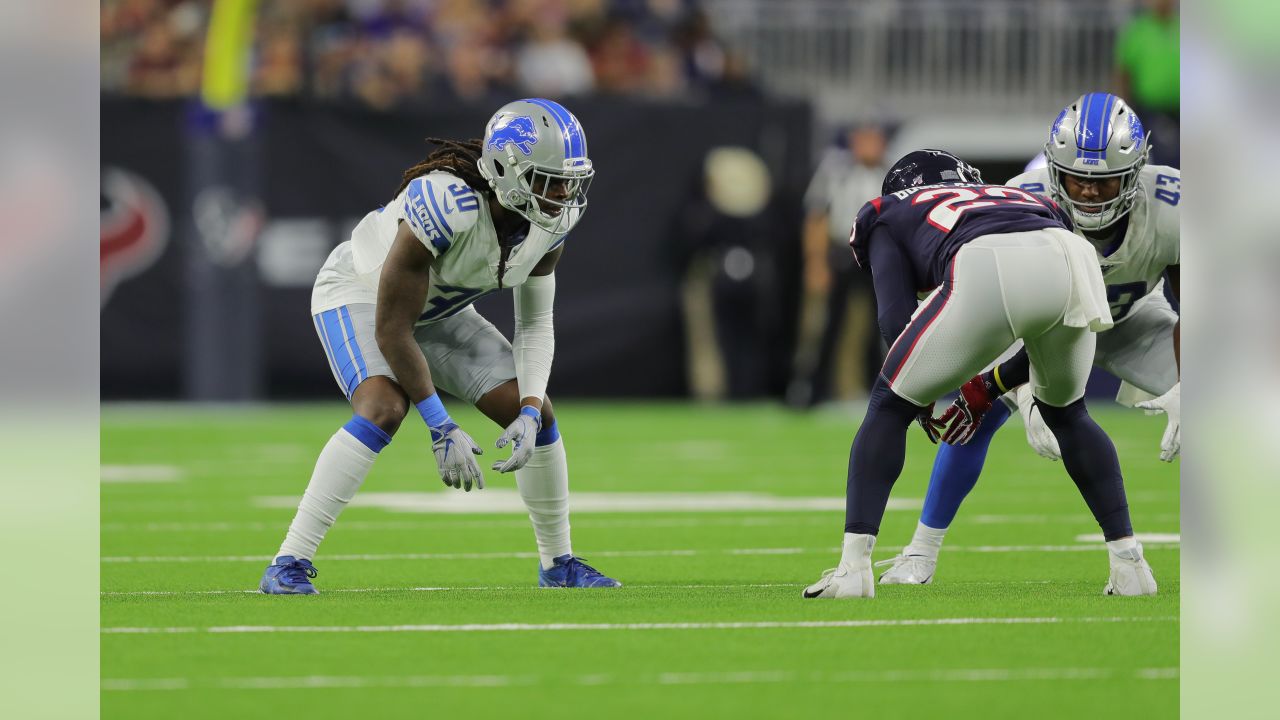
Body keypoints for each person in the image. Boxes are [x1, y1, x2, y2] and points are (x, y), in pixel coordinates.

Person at [259, 98, 621, 594]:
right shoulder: (446, 204)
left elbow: (535, 325)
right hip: (362, 296)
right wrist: (440, 425)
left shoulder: (551, 221)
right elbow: (392, 328)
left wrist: (532, 411)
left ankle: (558, 564)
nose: (563, 193)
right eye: (548, 178)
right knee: (384, 407)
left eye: (569, 179)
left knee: (535, 412)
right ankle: (288, 561)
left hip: (439, 313)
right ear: (505, 169)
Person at [802, 148, 1157, 599]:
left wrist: (919, 397)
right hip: (1071, 255)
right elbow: (1038, 331)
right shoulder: (1027, 198)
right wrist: (990, 385)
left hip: (987, 259)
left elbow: (895, 319)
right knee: (1069, 413)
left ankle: (853, 570)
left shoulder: (888, 211)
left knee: (887, 404)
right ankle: (1131, 566)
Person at [878, 93, 1179, 587]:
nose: (1087, 194)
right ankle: (921, 553)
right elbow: (1004, 313)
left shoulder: (1172, 203)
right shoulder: (1023, 193)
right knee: (977, 416)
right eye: (1077, 178)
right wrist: (1013, 390)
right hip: (1041, 322)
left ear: (1136, 170)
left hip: (1132, 323)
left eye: (1102, 182)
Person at [788, 124, 890, 407]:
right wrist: (816, 262)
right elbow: (817, 217)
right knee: (826, 325)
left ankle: (878, 394)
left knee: (879, 327)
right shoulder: (835, 172)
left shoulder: (891, 174)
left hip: (877, 257)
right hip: (841, 253)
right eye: (864, 139)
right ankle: (811, 391)